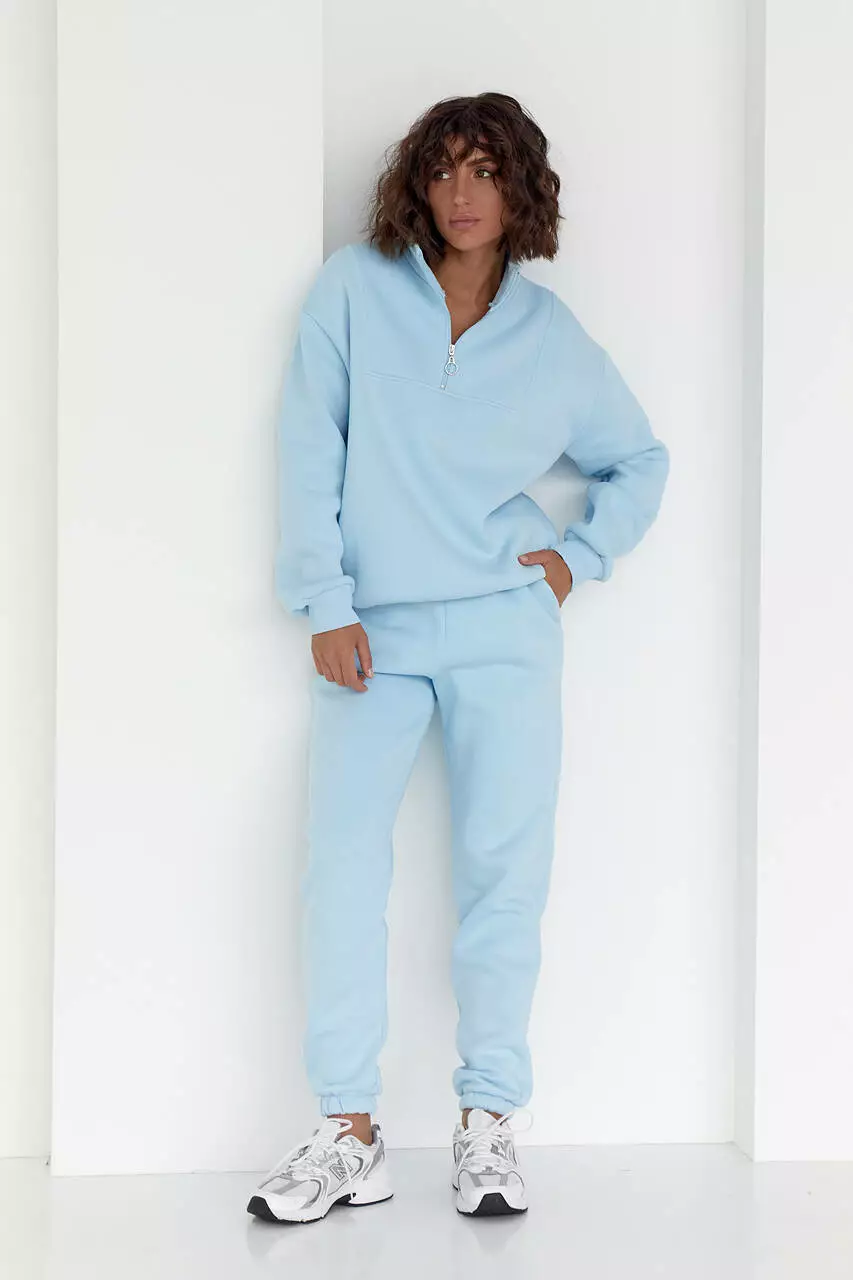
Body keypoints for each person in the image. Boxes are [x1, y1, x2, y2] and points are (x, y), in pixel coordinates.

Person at [247, 92, 670, 1225]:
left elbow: (639, 459)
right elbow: (308, 441)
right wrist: (322, 600)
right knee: (341, 868)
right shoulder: (352, 289)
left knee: (502, 873)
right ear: (416, 187)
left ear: (519, 188)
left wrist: (576, 559)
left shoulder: (551, 338)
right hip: (371, 632)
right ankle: (348, 1130)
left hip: (502, 628)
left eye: (485, 170)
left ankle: (489, 1119)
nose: (461, 193)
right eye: (441, 170)